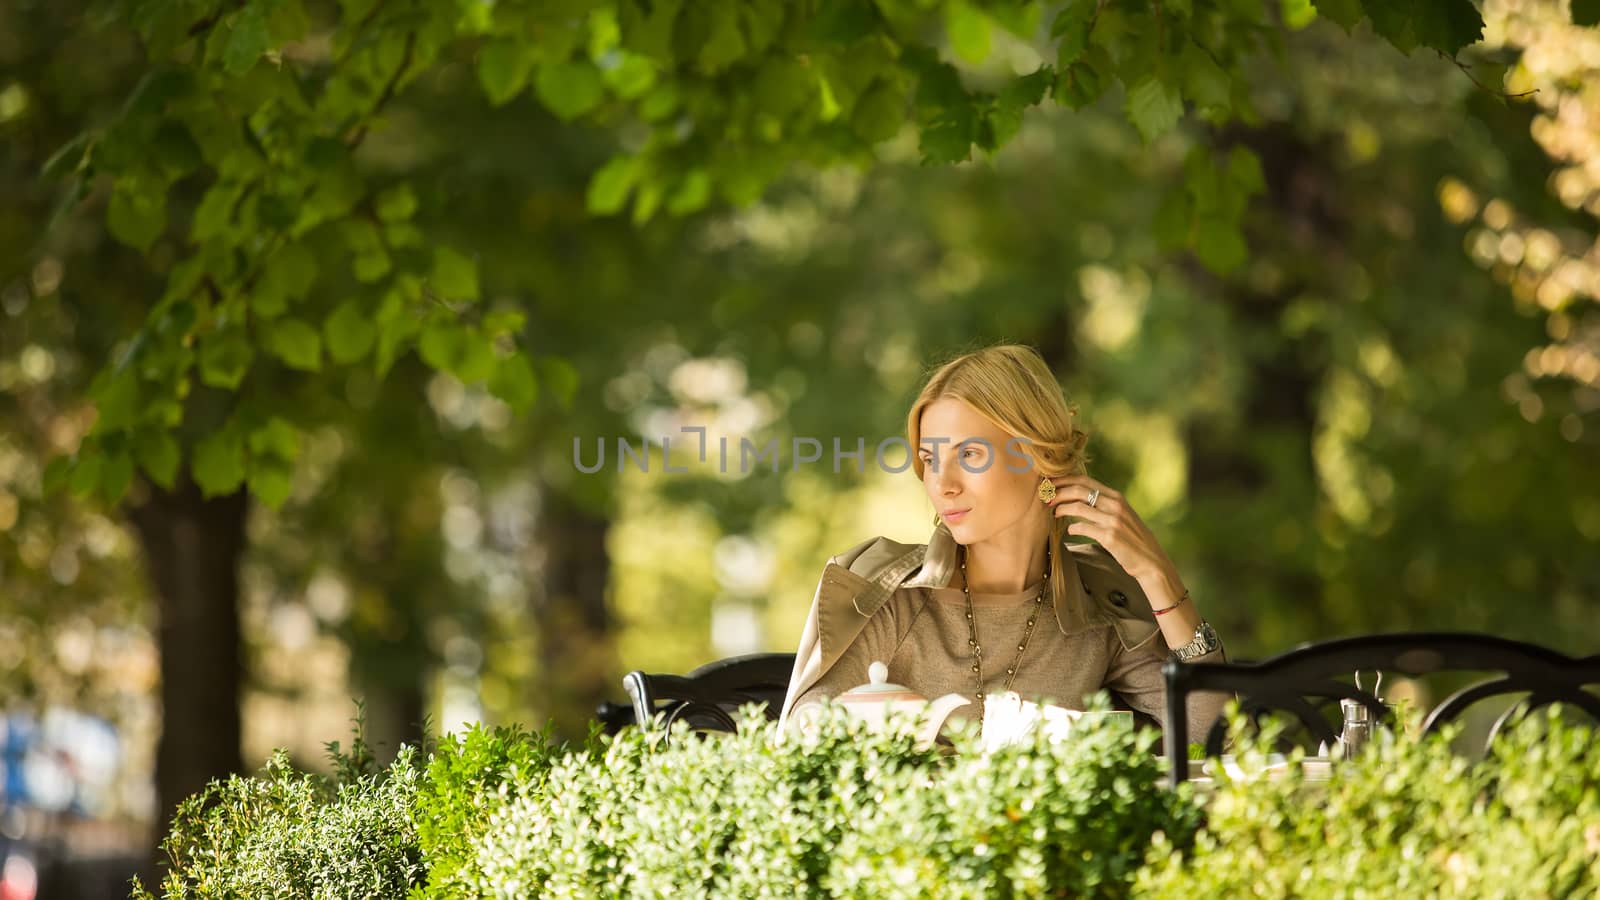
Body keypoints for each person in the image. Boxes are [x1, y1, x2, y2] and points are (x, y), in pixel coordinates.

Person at [777, 343, 1228, 744]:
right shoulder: (889, 595)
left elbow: (1210, 734)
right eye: (931, 459)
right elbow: (805, 731)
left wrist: (1158, 576)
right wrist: (922, 723)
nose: (942, 484)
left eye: (969, 455)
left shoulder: (1096, 602)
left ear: (1040, 458)